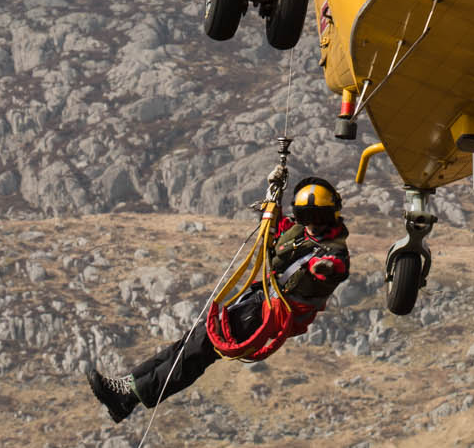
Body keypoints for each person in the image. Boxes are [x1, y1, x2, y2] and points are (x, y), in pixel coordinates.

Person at [86, 178, 352, 423]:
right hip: (258, 301)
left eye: (316, 218)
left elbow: (335, 267)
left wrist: (324, 269)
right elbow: (276, 226)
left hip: (267, 314)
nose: (311, 223)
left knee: (200, 348)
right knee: (191, 341)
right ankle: (127, 387)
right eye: (306, 217)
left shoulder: (334, 252)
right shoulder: (299, 231)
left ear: (329, 216)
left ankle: (130, 397)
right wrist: (273, 196)